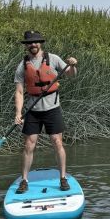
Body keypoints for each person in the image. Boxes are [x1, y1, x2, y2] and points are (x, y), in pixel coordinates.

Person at [13, 30, 78, 194]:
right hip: (33, 110)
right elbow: (19, 92)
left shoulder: (53, 59)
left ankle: (63, 178)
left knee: (57, 142)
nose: (33, 45)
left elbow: (71, 75)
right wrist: (18, 113)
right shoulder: (22, 65)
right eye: (30, 43)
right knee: (28, 145)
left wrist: (72, 65)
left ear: (40, 43)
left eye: (35, 42)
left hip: (52, 109)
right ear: (26, 45)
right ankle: (24, 180)